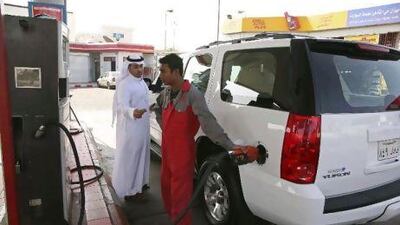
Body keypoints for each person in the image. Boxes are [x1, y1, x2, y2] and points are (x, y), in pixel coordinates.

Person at [152, 54, 237, 225]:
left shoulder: (193, 95)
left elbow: (209, 124)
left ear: (176, 72)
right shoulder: (166, 93)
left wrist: (230, 146)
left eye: (163, 71)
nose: (160, 75)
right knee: (166, 189)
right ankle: (173, 220)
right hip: (167, 150)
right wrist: (166, 130)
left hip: (182, 152)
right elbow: (158, 109)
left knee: (181, 196)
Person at [111, 53, 150, 201]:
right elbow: (122, 107)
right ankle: (129, 191)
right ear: (128, 67)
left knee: (141, 156)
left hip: (142, 128)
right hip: (131, 129)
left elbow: (143, 101)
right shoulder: (125, 85)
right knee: (131, 158)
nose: (139, 69)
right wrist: (133, 112)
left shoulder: (142, 83)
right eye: (135, 67)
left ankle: (140, 184)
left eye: (141, 66)